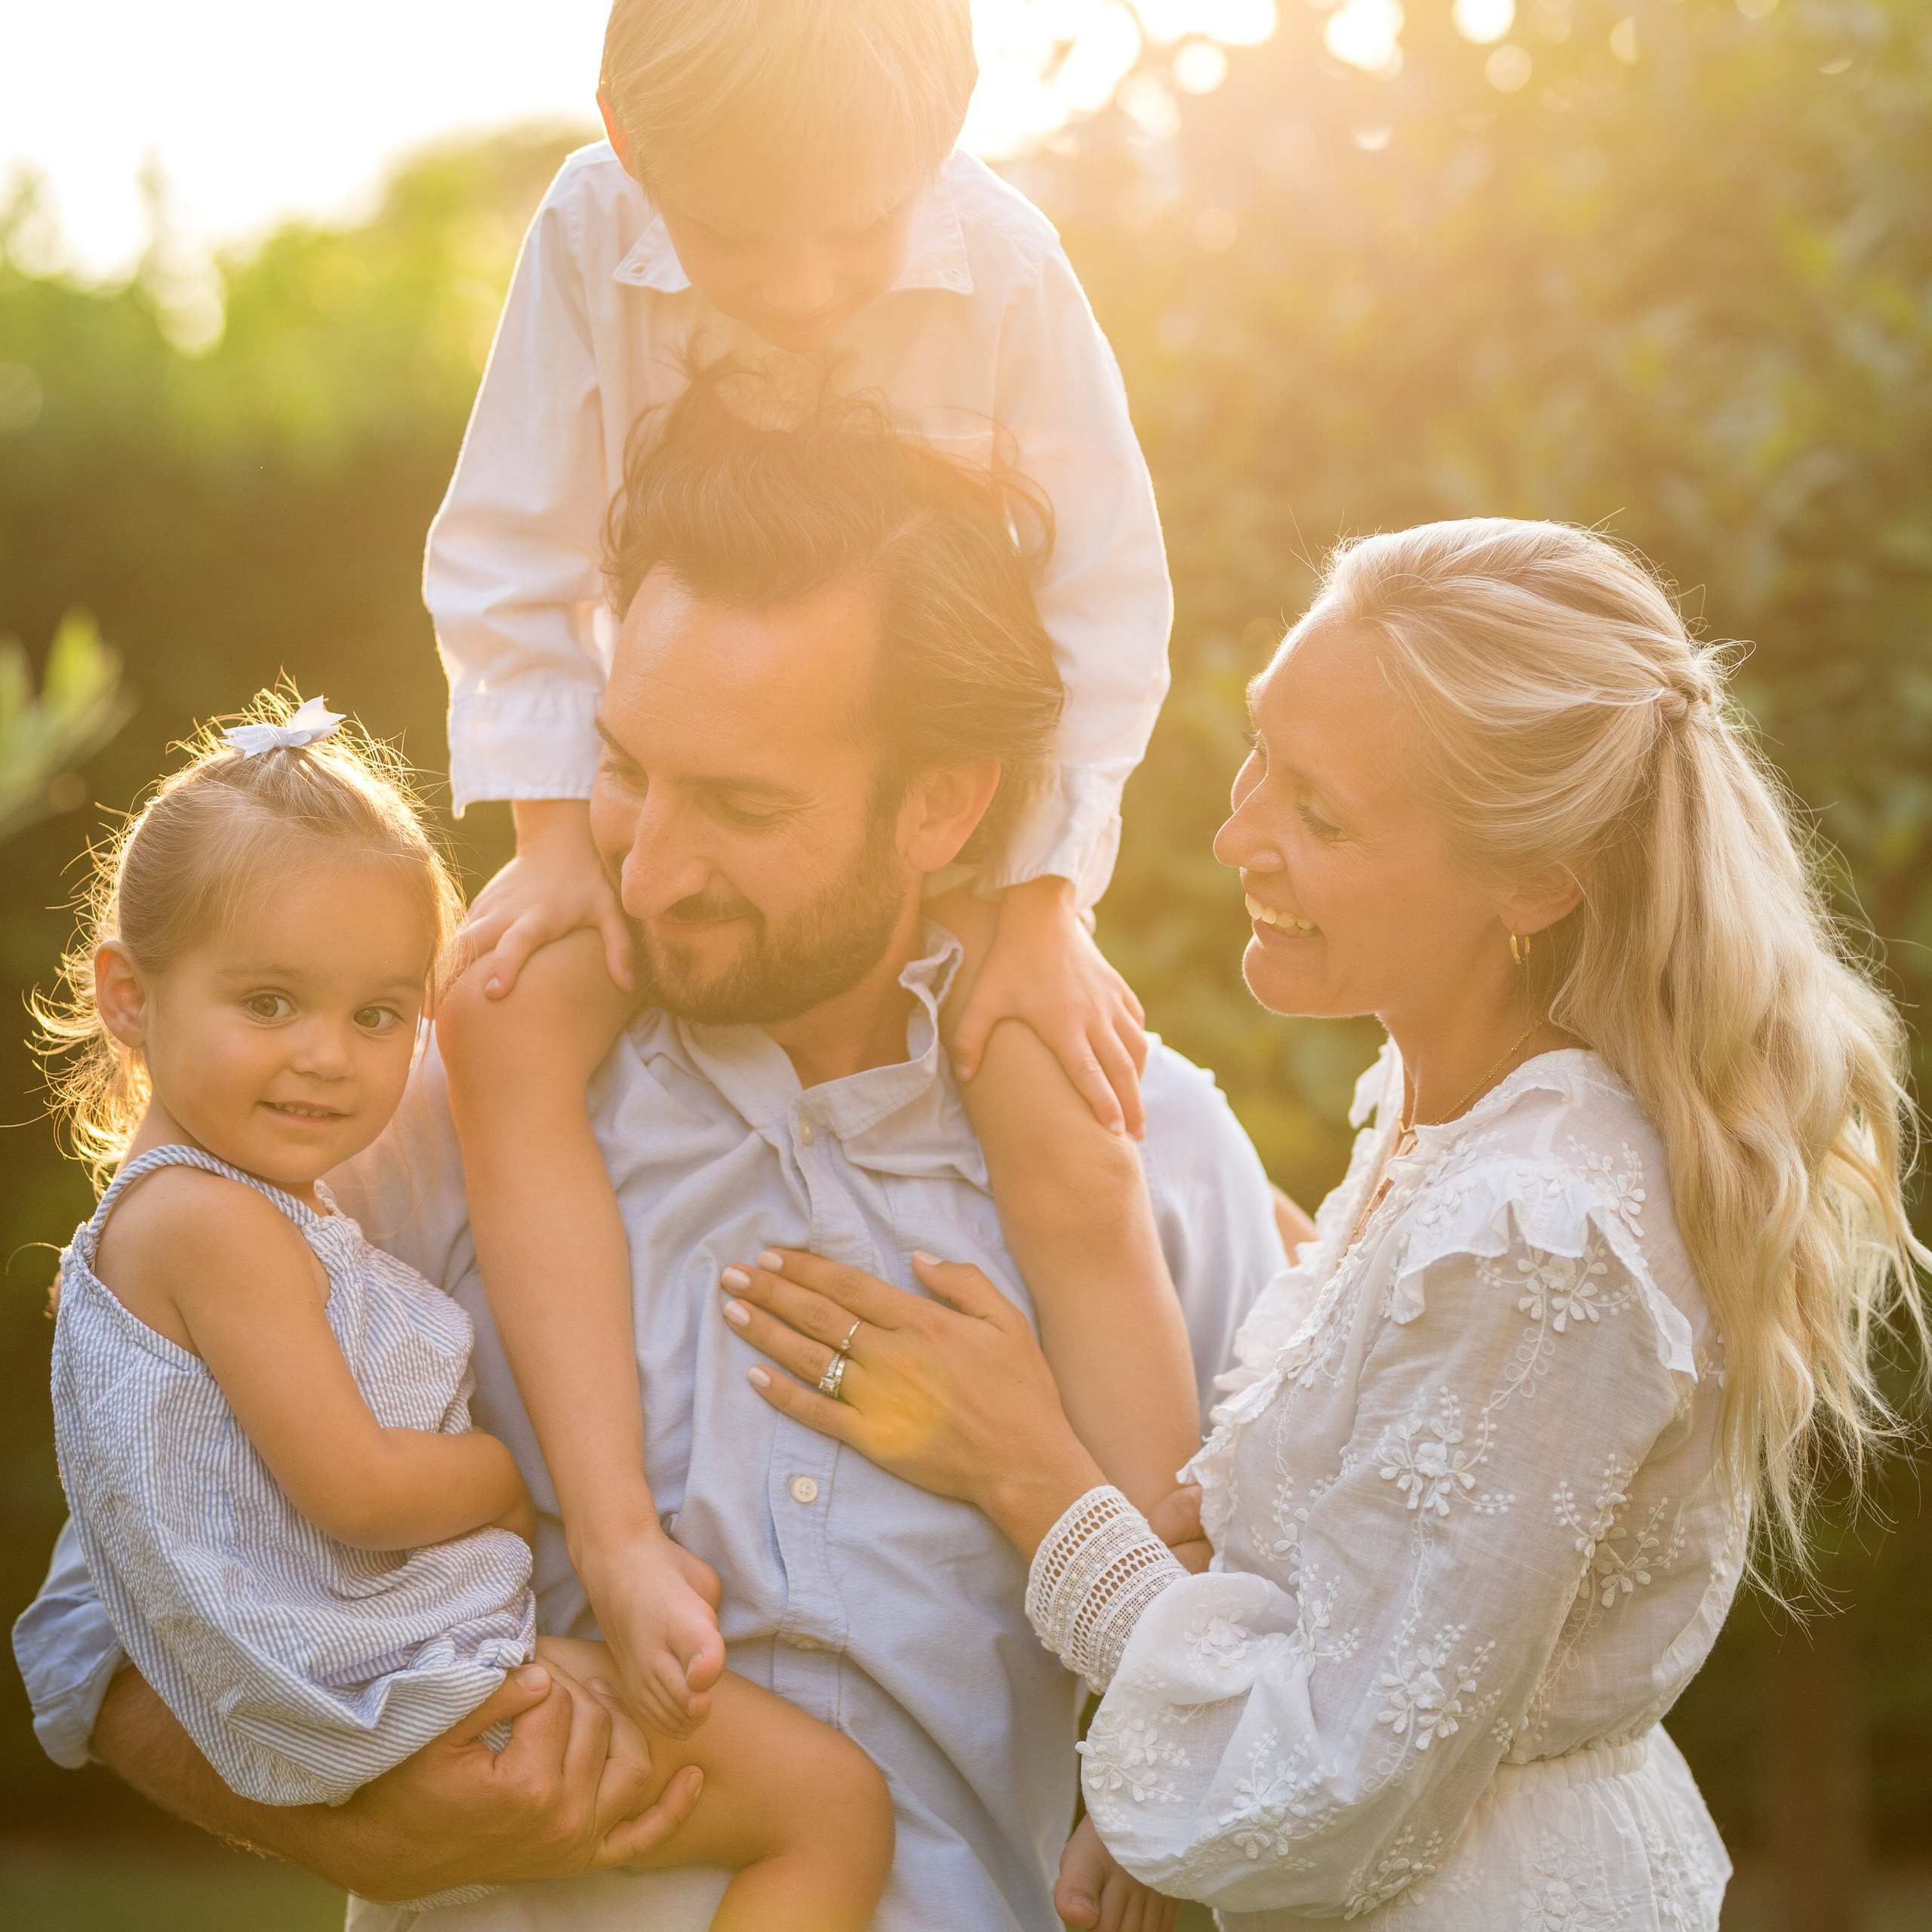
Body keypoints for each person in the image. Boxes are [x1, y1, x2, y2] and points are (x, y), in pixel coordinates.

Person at [15, 411, 1285, 1930]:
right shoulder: (400, 1115)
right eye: (624, 769)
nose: (650, 863)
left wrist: (1038, 1479)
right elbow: (100, 1616)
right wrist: (362, 1821)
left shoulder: (1135, 1144)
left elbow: (1324, 1659)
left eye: (741, 805)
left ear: (939, 802)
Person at [714, 518, 1931, 1930]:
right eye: (1259, 761)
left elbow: (1331, 1785)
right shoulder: (1442, 1123)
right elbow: (1362, 1572)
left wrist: (1029, 1473)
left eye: (1324, 815)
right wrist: (1155, 1788)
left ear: (1536, 882)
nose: (1238, 836)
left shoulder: (1539, 1236)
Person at [432, 0, 1180, 1746]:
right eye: (738, 240)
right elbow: (508, 553)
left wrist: (1037, 907)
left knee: (1055, 1108)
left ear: (951, 121)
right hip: (674, 774)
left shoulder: (1002, 263)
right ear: (624, 131)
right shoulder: (582, 233)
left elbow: (1105, 601)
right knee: (504, 1023)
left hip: (921, 797)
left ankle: (1159, 1673)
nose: (800, 283)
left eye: (854, 232)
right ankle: (610, 1523)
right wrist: (554, 841)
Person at [24, 691, 894, 1931]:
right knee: (832, 1810)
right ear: (126, 995)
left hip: (376, 1686)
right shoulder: (217, 1225)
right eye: (270, 1002)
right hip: (403, 1694)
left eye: (378, 1014)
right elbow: (359, 1490)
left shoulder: (200, 1218)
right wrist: (497, 1480)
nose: (329, 1054)